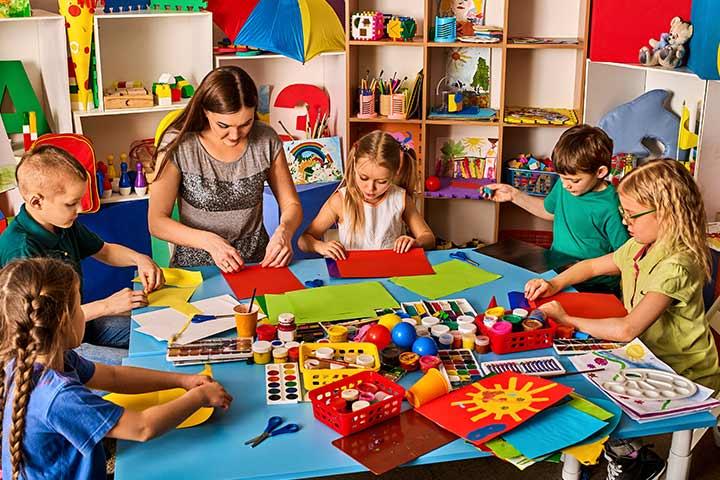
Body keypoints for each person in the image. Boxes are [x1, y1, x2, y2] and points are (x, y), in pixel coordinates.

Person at [525, 159, 720, 480]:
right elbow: (589, 267)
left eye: (632, 215)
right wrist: (554, 283)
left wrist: (566, 317)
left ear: (667, 213)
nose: (625, 221)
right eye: (623, 213)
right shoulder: (640, 245)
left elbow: (628, 328)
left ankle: (636, 461)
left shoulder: (677, 265)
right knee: (581, 376)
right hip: (647, 352)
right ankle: (622, 451)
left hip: (682, 370)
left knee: (591, 392)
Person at [0, 258, 232, 480]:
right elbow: (142, 427)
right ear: (63, 321)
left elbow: (113, 376)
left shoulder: (48, 358)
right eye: (79, 306)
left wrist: (183, 381)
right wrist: (199, 397)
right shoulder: (59, 397)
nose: (83, 312)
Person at [0, 145, 165, 365]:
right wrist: (108, 306)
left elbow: (104, 250)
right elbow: (39, 326)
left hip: (78, 325)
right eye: (71, 203)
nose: (80, 209)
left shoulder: (62, 222)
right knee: (143, 364)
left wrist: (140, 259)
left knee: (157, 334)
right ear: (36, 201)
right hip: (49, 348)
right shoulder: (21, 249)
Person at [149, 66, 302, 273]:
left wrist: (285, 231)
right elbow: (157, 222)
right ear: (205, 111)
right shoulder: (179, 144)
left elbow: (291, 203)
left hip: (256, 265)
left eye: (245, 124)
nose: (235, 135)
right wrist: (209, 241)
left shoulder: (266, 139)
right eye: (223, 125)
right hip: (197, 270)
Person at [486, 125, 629, 293]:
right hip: (555, 272)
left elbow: (624, 257)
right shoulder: (565, 186)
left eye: (574, 180)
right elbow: (550, 211)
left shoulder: (611, 204)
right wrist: (514, 195)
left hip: (593, 285)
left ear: (600, 172)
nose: (566, 184)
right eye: (561, 177)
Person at [298, 130, 434, 259]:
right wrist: (319, 246)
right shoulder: (340, 200)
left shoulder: (400, 198)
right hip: (352, 277)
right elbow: (304, 240)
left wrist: (416, 243)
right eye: (363, 178)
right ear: (355, 165)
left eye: (382, 181)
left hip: (391, 272)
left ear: (395, 173)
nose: (370, 188)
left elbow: (428, 238)